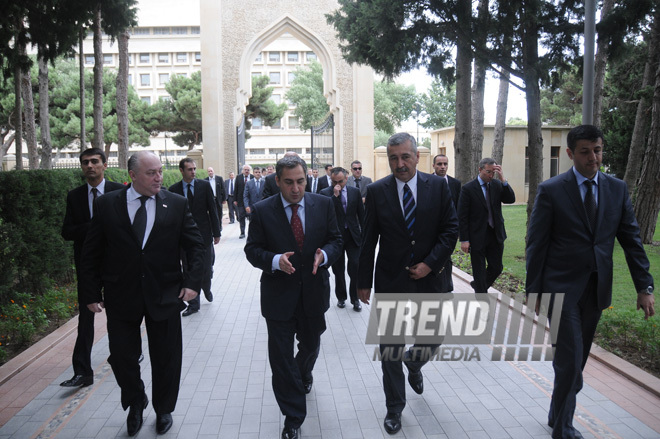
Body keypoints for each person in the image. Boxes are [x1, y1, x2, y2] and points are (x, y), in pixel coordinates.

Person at [526, 125, 654, 439]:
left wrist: (644, 286)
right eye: (585, 152)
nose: (593, 157)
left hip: (596, 290)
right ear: (571, 153)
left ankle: (557, 413)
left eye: (597, 150)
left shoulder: (616, 188)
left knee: (576, 362)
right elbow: (536, 244)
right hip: (560, 288)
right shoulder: (552, 190)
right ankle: (565, 428)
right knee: (570, 362)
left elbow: (632, 240)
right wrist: (534, 292)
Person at [79, 151, 205, 436]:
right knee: (122, 357)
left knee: (166, 357)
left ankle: (163, 409)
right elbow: (91, 253)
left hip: (165, 293)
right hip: (121, 295)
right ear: (133, 175)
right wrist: (90, 292)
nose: (158, 177)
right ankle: (136, 401)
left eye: (160, 171)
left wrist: (192, 283)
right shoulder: (107, 205)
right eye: (151, 173)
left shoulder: (176, 203)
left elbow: (196, 246)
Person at [357, 133, 458, 435]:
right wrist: (362, 282)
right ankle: (394, 409)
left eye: (405, 157)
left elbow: (450, 229)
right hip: (391, 280)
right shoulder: (377, 191)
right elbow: (368, 239)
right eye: (393, 158)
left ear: (416, 156)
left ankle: (414, 363)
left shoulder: (438, 187)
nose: (399, 164)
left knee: (434, 337)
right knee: (390, 349)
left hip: (432, 279)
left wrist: (431, 264)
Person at [244, 155, 342, 439]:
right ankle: (293, 416)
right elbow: (252, 250)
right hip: (278, 297)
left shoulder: (323, 204)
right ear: (277, 181)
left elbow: (336, 240)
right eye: (289, 182)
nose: (296, 188)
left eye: (300, 181)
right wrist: (274, 260)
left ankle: (304, 372)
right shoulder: (262, 211)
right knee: (281, 359)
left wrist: (324, 255)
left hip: (313, 292)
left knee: (311, 344)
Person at [60, 148, 125, 388]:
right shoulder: (75, 196)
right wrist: (93, 227)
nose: (90, 166)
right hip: (88, 266)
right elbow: (67, 231)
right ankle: (82, 372)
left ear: (105, 165)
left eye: (95, 162)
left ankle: (125, 354)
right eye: (85, 162)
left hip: (116, 265)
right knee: (85, 319)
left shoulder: (120, 191)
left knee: (120, 315)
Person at [169, 158, 221, 316]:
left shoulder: (204, 186)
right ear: (181, 171)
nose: (193, 172)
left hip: (203, 235)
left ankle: (206, 287)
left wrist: (217, 233)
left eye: (194, 169)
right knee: (188, 269)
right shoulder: (174, 189)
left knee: (205, 268)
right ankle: (193, 303)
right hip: (184, 237)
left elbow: (212, 209)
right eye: (189, 169)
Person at [457, 158, 515, 294]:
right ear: (480, 169)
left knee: (496, 267)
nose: (490, 175)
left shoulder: (497, 185)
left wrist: (503, 180)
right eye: (488, 172)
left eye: (493, 173)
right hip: (477, 236)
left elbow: (510, 199)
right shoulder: (468, 189)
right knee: (479, 270)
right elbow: (462, 216)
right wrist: (464, 239)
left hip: (495, 234)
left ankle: (479, 286)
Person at [320, 167, 365, 311]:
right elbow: (325, 213)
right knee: (338, 270)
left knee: (356, 267)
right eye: (334, 181)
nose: (337, 184)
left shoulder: (355, 192)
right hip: (335, 237)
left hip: (353, 235)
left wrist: (364, 234)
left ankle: (355, 298)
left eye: (340, 181)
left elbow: (361, 215)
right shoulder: (325, 193)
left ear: (346, 178)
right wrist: (335, 196)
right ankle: (341, 297)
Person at [432, 154, 462, 292]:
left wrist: (458, 231)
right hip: (430, 229)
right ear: (433, 166)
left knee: (446, 256)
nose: (442, 167)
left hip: (449, 230)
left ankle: (447, 284)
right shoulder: (426, 181)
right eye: (439, 164)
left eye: (445, 164)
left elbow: (458, 208)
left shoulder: (455, 184)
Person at [234, 164, 253, 238]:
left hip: (250, 201)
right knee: (241, 217)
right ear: (243, 170)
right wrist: (235, 199)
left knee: (251, 217)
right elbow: (236, 189)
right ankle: (242, 232)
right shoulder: (238, 177)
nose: (246, 171)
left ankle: (251, 233)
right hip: (240, 201)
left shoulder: (252, 177)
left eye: (248, 170)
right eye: (245, 170)